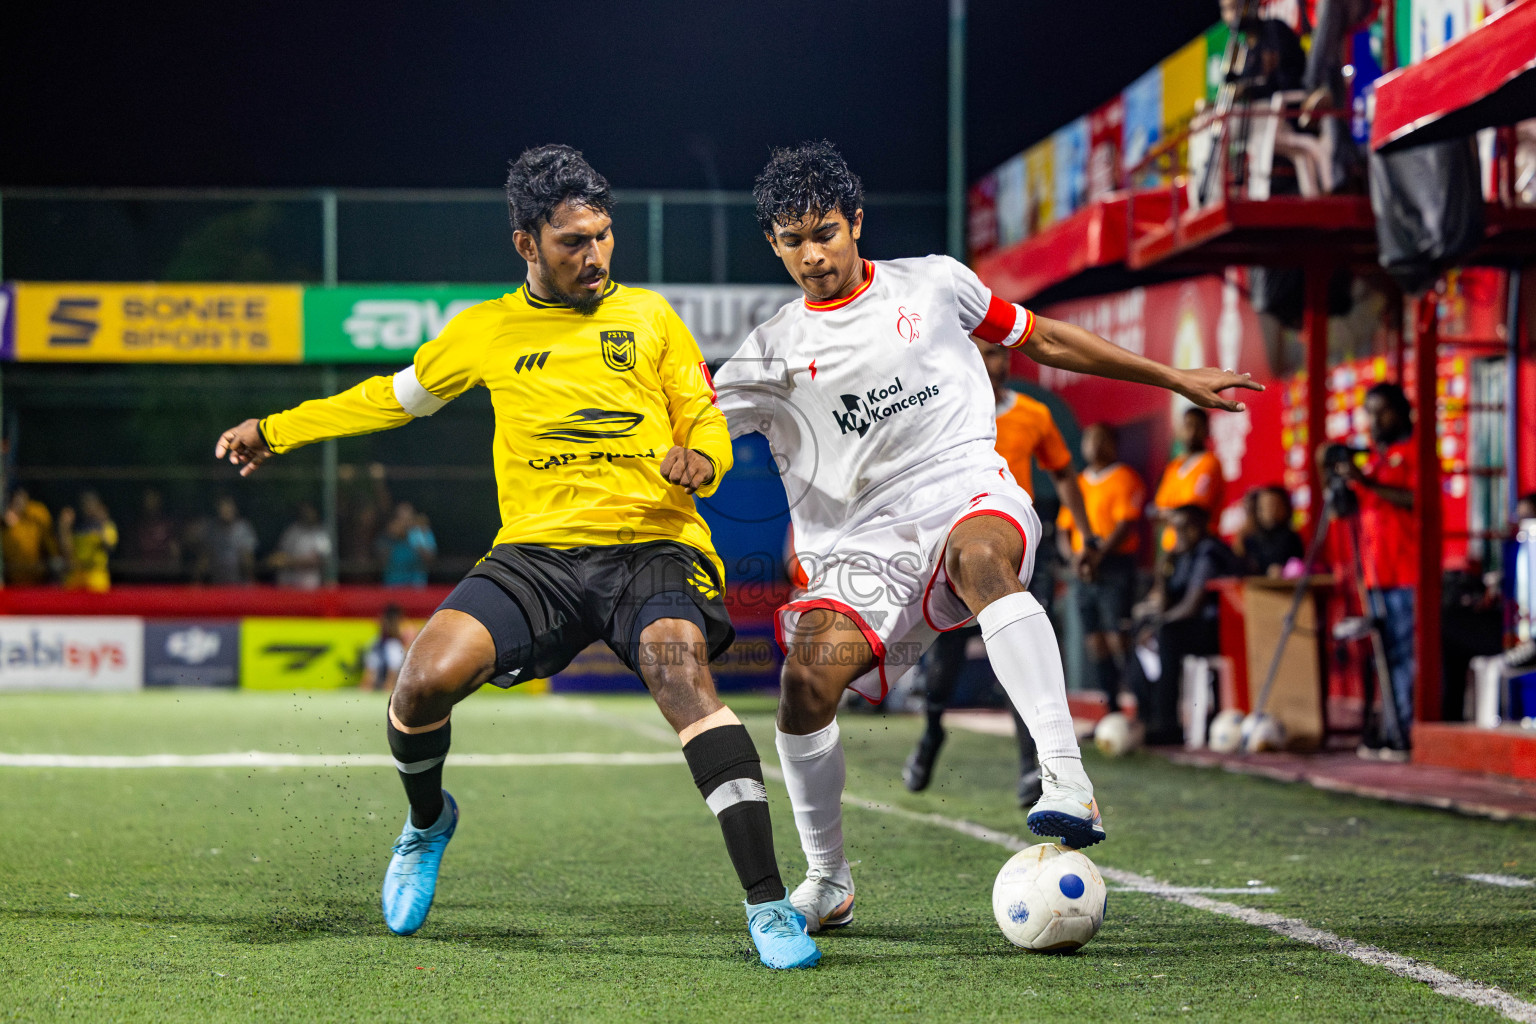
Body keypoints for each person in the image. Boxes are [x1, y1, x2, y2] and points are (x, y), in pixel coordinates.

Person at [213, 144, 819, 969]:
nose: (595, 254)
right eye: (573, 241)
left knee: (680, 677)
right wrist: (275, 430)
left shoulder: (650, 318)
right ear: (526, 243)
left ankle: (769, 904)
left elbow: (702, 413)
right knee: (421, 682)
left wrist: (704, 458)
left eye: (603, 235)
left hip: (651, 543)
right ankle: (427, 823)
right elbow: (389, 400)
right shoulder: (485, 330)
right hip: (536, 555)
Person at [713, 141, 1258, 932]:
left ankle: (1066, 780)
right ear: (773, 243)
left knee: (980, 560)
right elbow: (692, 429)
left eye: (825, 232)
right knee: (805, 683)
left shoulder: (935, 283)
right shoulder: (770, 353)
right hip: (862, 545)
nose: (813, 255)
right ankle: (828, 880)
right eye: (792, 241)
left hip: (966, 487)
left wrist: (1171, 375)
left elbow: (1043, 338)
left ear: (856, 221)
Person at [902, 339, 1096, 807]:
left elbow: (1063, 472)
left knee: (1023, 652)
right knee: (943, 666)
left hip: (1019, 548)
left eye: (1002, 353)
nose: (999, 361)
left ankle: (1032, 765)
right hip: (958, 548)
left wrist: (1086, 536)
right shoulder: (941, 410)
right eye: (988, 352)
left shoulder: (1033, 414)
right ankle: (931, 732)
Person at [1319, 381, 1416, 754]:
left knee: (1406, 656)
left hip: (1407, 572)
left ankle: (1408, 732)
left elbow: (1414, 499)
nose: (1375, 421)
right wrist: (1331, 475)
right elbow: (1345, 511)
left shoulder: (1414, 452)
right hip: (1375, 573)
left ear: (1401, 412)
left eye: (1382, 412)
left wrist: (1366, 482)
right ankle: (1390, 728)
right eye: (1370, 413)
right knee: (1384, 656)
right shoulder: (1374, 459)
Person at [1138, 505, 1242, 744]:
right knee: (1141, 634)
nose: (1182, 533)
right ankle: (1147, 717)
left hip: (1220, 630)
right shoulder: (1179, 556)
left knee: (1166, 634)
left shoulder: (1208, 552)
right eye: (1177, 528)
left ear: (1202, 527)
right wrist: (1162, 573)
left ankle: (1167, 724)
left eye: (1187, 527)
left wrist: (1158, 625)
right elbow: (1165, 604)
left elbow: (1191, 606)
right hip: (1193, 627)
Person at [1058, 425, 1146, 702]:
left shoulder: (1125, 478)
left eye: (1101, 439)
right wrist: (1074, 559)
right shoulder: (1078, 482)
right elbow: (1064, 529)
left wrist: (1097, 556)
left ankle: (1142, 706)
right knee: (1095, 641)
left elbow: (1124, 525)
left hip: (1114, 566)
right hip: (1083, 570)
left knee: (1119, 638)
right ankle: (1112, 709)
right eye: (1089, 439)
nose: (1093, 445)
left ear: (1113, 444)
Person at [1153, 408, 1224, 554]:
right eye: (1188, 426)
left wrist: (1170, 513)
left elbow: (1192, 512)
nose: (1192, 432)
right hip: (1171, 548)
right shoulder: (1173, 467)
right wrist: (1174, 513)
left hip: (1199, 547)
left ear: (1207, 430)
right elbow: (1157, 509)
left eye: (1198, 426)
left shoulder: (1210, 462)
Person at [1236, 485, 1304, 577]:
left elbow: (1299, 566)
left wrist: (1283, 570)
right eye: (1264, 506)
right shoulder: (1249, 540)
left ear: (1285, 507)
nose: (1269, 510)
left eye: (1273, 505)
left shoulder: (1291, 538)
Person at [59, 490, 118, 592]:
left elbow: (109, 546)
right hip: (76, 576)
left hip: (97, 576)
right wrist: (64, 528)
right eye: (85, 504)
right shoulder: (77, 526)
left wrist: (102, 524)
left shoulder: (106, 526)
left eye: (91, 504)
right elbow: (67, 552)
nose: (88, 507)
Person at [194, 496, 258, 585]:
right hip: (217, 583)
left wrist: (251, 579)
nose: (226, 511)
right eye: (223, 508)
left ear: (234, 509)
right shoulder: (212, 530)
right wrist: (197, 580)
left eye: (228, 507)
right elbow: (205, 556)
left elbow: (248, 558)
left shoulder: (243, 528)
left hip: (240, 584)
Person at [3, 488, 58, 587]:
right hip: (12, 582)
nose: (19, 502)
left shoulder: (36, 515)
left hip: (38, 580)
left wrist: (53, 558)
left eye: (23, 498)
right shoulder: (5, 526)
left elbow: (49, 542)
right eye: (16, 499)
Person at [271, 501, 332, 589]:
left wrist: (289, 562)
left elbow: (320, 561)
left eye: (310, 511)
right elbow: (280, 554)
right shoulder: (291, 531)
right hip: (287, 584)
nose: (307, 514)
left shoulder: (320, 534)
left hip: (309, 586)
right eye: (304, 511)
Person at [124, 488, 181, 582]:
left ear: (159, 500)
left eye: (153, 498)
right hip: (142, 578)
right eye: (147, 498)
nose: (150, 502)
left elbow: (175, 552)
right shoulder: (137, 526)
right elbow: (129, 555)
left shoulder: (168, 525)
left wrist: (173, 575)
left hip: (164, 577)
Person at [378, 502, 436, 587]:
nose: (405, 523)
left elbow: (430, 560)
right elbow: (381, 561)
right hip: (393, 587)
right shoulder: (387, 538)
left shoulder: (421, 535)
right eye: (402, 519)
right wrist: (393, 536)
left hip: (416, 587)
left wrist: (416, 540)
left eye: (408, 519)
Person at [362, 605, 417, 693]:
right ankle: (367, 685)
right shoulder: (384, 626)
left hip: (402, 659)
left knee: (393, 648)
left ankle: (389, 685)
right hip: (383, 656)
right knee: (377, 652)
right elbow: (380, 641)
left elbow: (411, 647)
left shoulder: (406, 626)